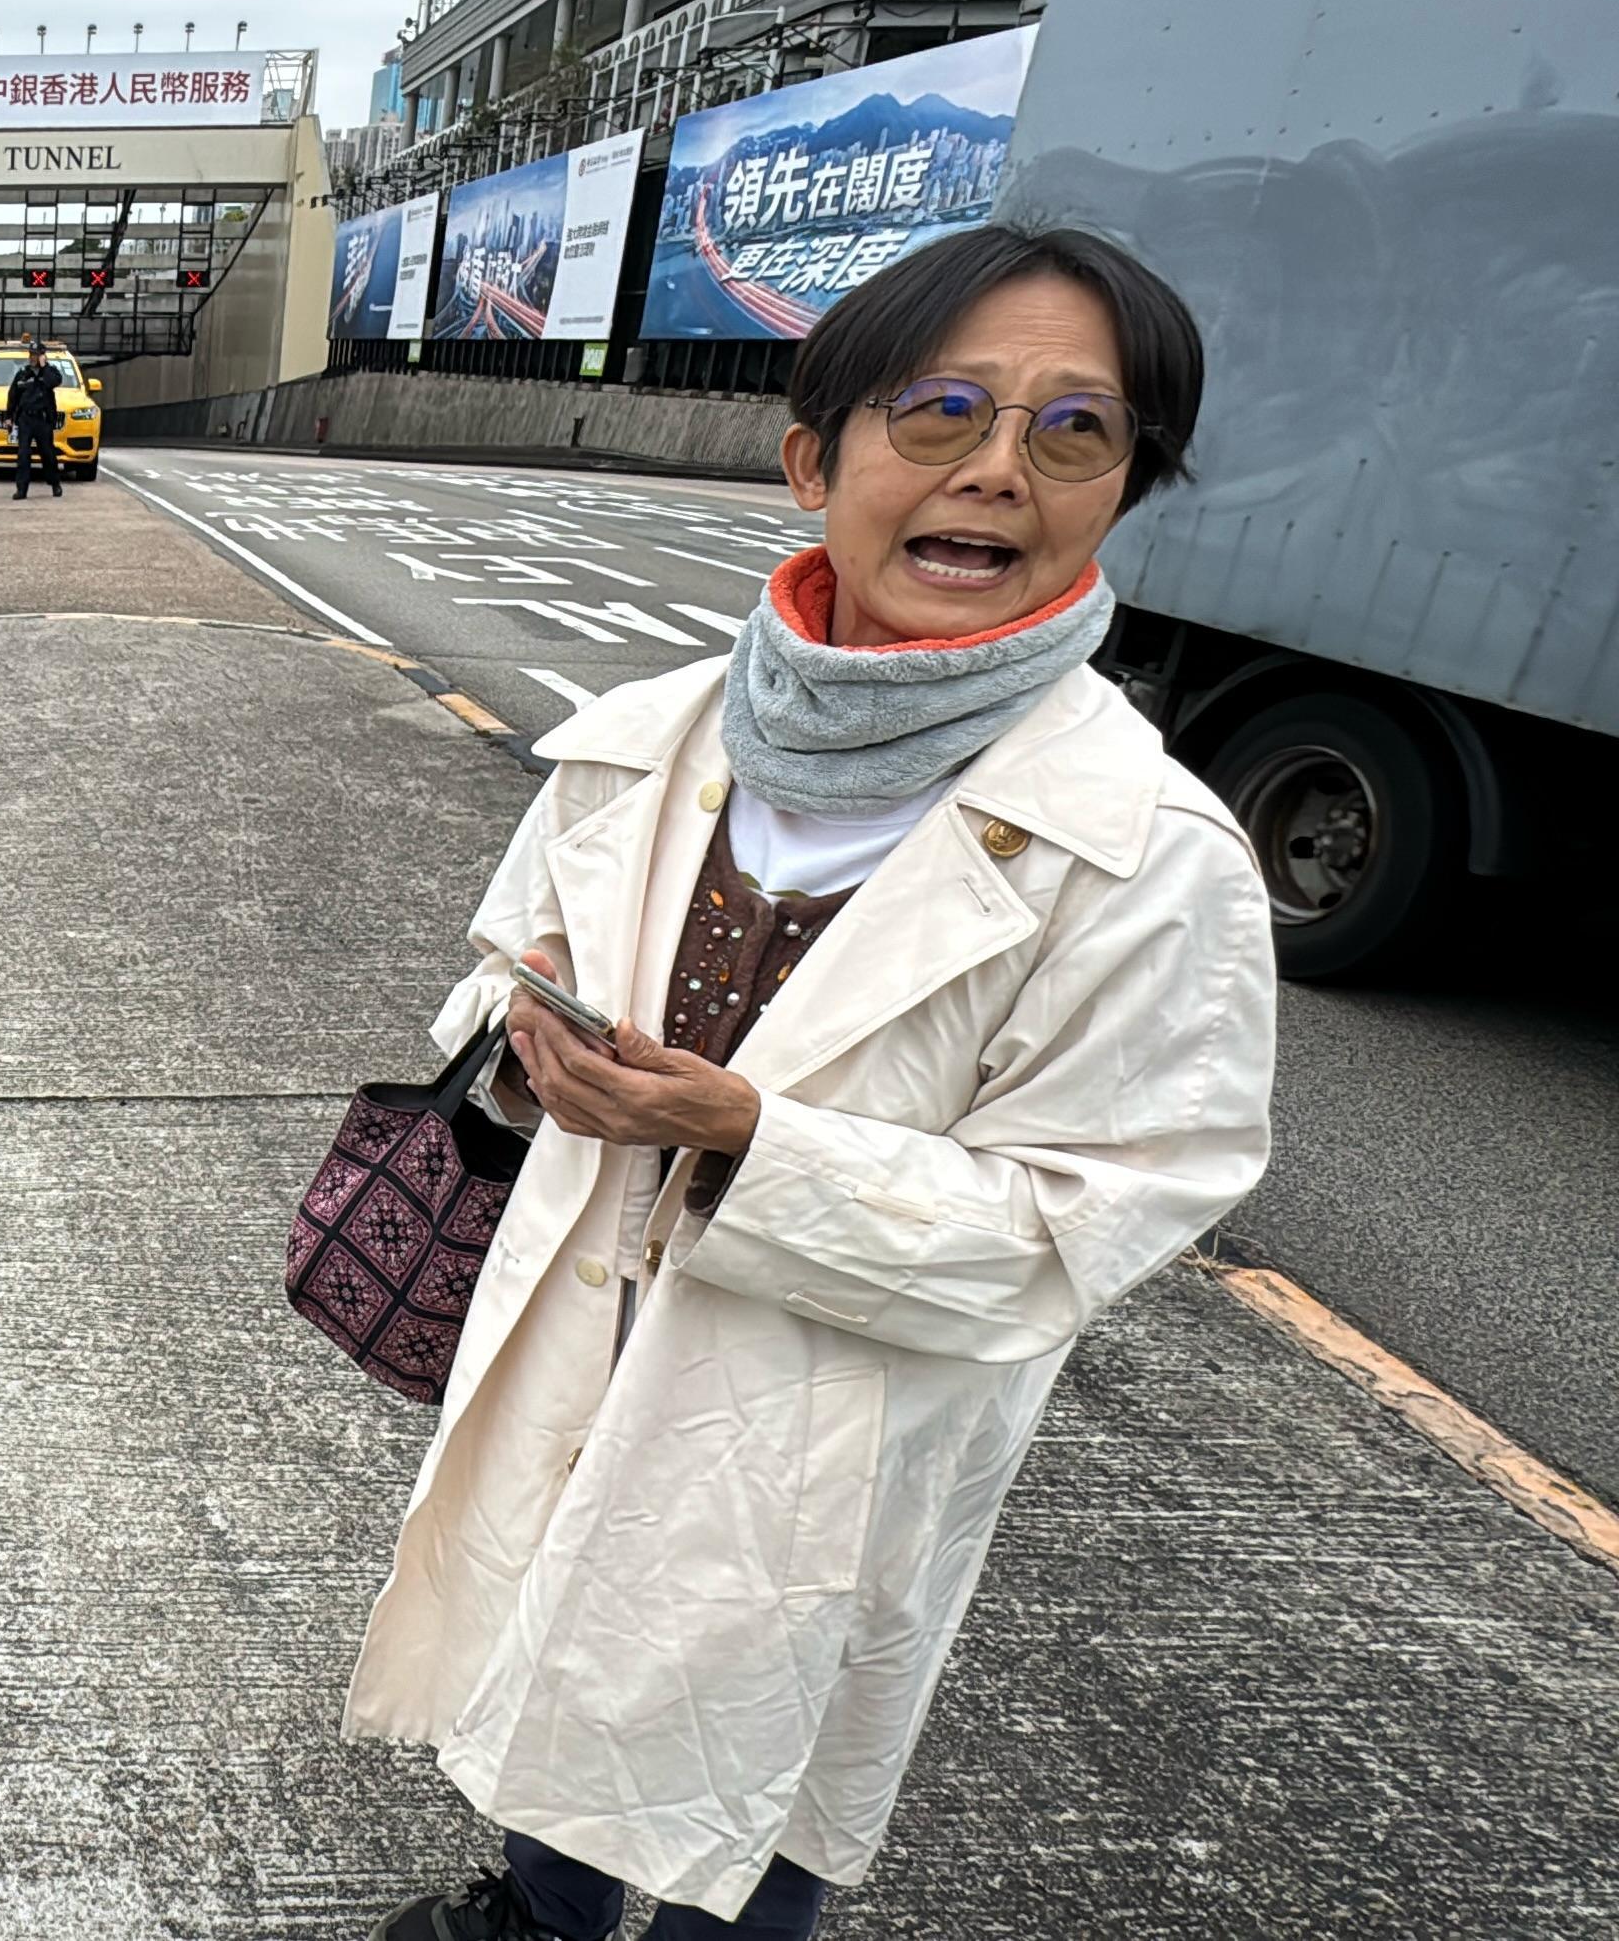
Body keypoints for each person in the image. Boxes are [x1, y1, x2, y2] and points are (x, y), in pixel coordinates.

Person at [354, 226, 1277, 1941]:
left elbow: (1091, 1215)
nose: (1000, 471)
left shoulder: (1152, 856)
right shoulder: (650, 737)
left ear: (1123, 488)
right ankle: (540, 1916)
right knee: (555, 1652)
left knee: (746, 1768)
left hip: (838, 1418)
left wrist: (748, 1143)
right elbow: (505, 965)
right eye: (942, 412)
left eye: (1077, 432)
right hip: (593, 1314)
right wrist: (526, 1057)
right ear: (814, 459)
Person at [3, 341, 65, 499]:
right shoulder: (23, 373)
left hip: (43, 419)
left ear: (42, 356)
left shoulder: (50, 372)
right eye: (31, 354)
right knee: (23, 454)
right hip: (26, 419)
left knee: (48, 454)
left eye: (36, 355)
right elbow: (13, 396)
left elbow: (54, 382)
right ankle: (21, 489)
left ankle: (55, 483)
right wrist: (9, 417)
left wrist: (44, 368)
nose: (32, 357)